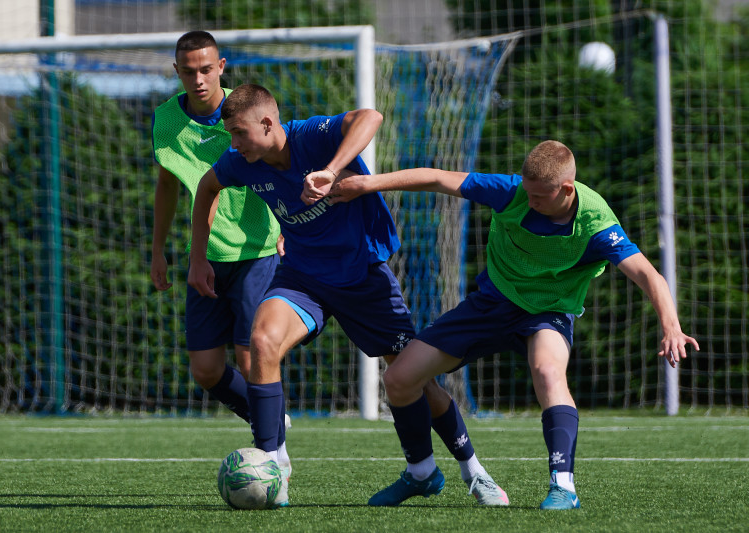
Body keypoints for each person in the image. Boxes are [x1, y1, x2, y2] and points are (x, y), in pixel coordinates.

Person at [306, 139, 699, 510]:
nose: (529, 202)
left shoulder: (596, 223)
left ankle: (563, 485)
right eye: (527, 192)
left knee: (548, 371)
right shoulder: (511, 191)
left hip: (548, 311)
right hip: (492, 303)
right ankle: (421, 472)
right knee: (399, 378)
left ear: (566, 189)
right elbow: (438, 178)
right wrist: (368, 184)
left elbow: (649, 275)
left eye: (539, 197)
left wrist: (671, 326)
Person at [188, 84, 507, 509]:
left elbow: (370, 116)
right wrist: (197, 257)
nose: (234, 144)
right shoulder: (240, 162)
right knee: (262, 340)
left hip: (362, 278)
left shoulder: (312, 136)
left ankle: (471, 471)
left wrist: (332, 169)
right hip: (302, 276)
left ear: (268, 123)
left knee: (412, 378)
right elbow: (206, 189)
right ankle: (274, 467)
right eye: (230, 135)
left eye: (240, 133)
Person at [150, 32, 291, 473]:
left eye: (206, 68)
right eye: (188, 71)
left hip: (257, 250)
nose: (198, 78)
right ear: (177, 71)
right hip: (205, 256)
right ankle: (270, 419)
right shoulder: (166, 121)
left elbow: (284, 166)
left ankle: (273, 458)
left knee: (254, 357)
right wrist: (157, 249)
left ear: (221, 66)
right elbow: (168, 185)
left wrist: (290, 226)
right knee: (206, 370)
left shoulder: (247, 111)